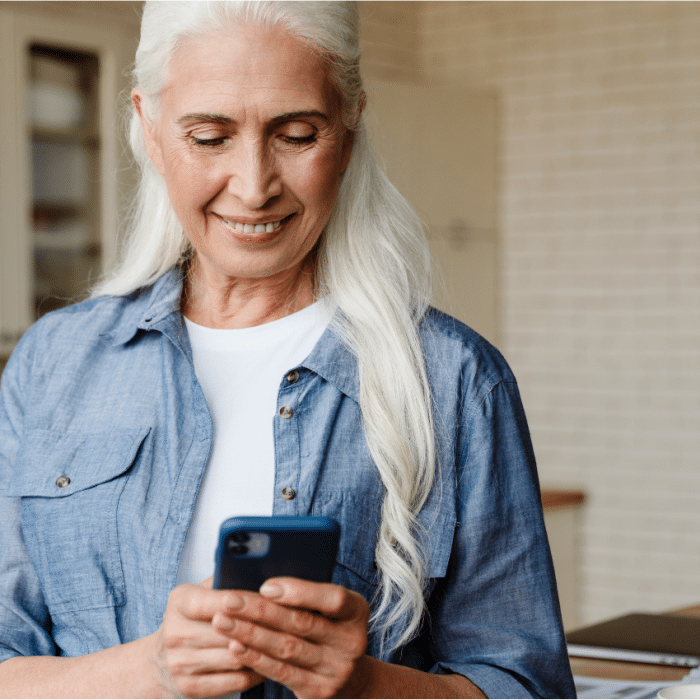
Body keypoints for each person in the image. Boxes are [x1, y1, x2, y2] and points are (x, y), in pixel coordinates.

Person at [0, 2, 576, 697]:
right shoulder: (53, 363)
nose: (254, 185)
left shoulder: (454, 380)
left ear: (351, 121)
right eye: (209, 136)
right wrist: (150, 671)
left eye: (298, 134)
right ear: (149, 127)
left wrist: (362, 686)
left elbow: (527, 685)